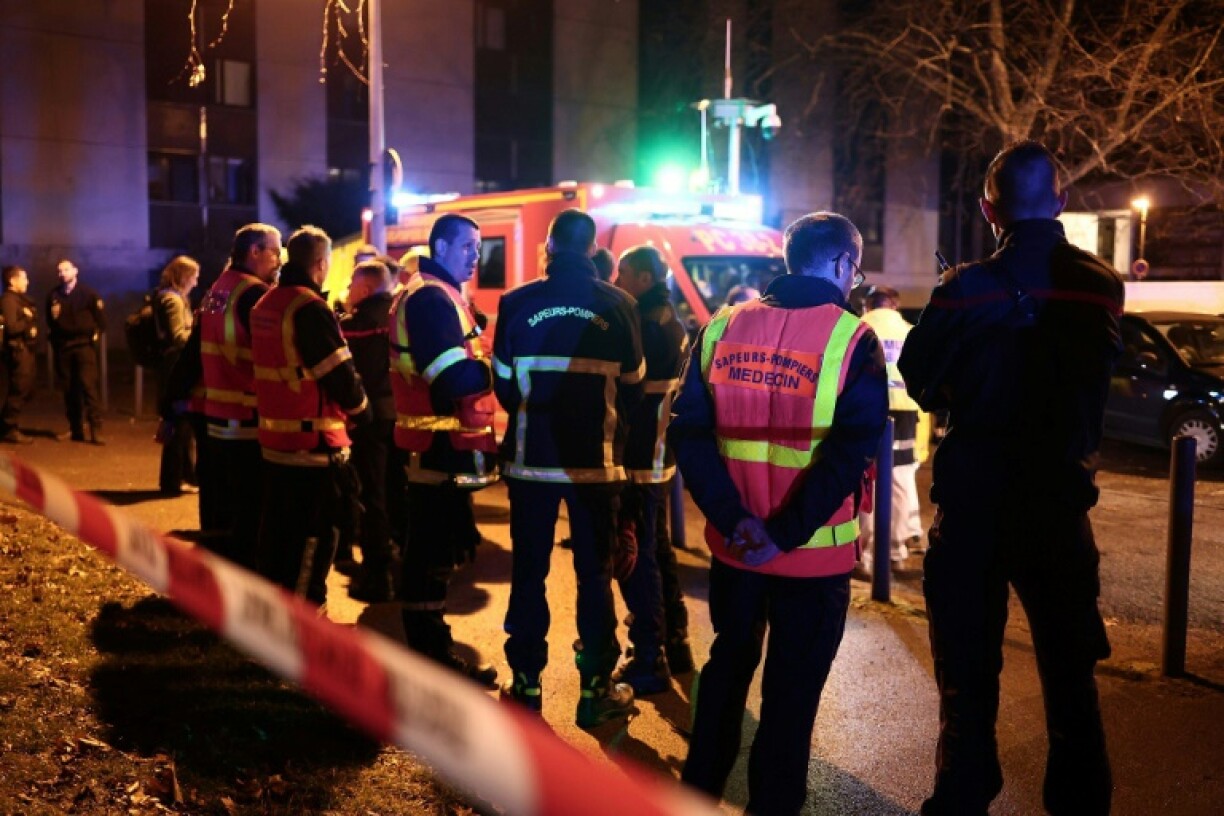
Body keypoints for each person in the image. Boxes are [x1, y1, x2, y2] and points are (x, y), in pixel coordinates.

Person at [898, 140, 1120, 816]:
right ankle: (1079, 802)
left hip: (975, 508)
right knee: (1071, 680)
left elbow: (919, 379)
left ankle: (965, 792)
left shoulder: (964, 288)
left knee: (966, 679)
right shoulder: (1101, 284)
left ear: (988, 209)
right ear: (1061, 202)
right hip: (1059, 506)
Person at [670, 211, 887, 815]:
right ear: (843, 263)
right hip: (812, 562)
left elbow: (688, 433)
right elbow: (851, 453)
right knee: (790, 704)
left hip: (736, 552)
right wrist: (785, 534)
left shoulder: (720, 327)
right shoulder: (853, 339)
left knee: (725, 673)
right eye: (855, 269)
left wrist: (734, 520)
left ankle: (695, 797)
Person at [494, 208, 645, 728]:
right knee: (594, 576)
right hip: (595, 468)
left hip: (530, 464)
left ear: (550, 247)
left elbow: (503, 385)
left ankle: (525, 686)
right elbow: (633, 384)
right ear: (593, 248)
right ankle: (596, 690)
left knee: (528, 573)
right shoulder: (621, 305)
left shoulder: (516, 303)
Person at [390, 213, 499, 685]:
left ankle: (431, 652)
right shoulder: (432, 299)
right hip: (435, 449)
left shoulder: (440, 294)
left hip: (438, 448)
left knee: (435, 553)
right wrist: (498, 368)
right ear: (440, 247)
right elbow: (451, 378)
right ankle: (430, 659)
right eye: (467, 246)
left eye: (479, 247)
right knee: (429, 557)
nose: (476, 256)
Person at [251, 226, 369, 607]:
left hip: (275, 444)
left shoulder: (266, 303)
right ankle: (302, 625)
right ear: (320, 264)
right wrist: (363, 411)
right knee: (313, 543)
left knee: (278, 542)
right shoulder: (310, 309)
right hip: (314, 447)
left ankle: (273, 619)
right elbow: (340, 376)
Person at [609, 244, 692, 692]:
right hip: (660, 456)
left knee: (637, 559)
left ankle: (647, 656)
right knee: (658, 550)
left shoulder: (642, 323)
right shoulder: (671, 320)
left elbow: (627, 391)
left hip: (639, 457)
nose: (617, 281)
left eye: (623, 274)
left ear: (643, 278)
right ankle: (676, 642)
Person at [188, 223, 282, 565]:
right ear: (255, 251)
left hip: (216, 414)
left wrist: (172, 404)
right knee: (249, 507)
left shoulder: (219, 289)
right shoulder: (254, 294)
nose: (279, 260)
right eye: (275, 252)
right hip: (247, 414)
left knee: (218, 501)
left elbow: (193, 350)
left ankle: (215, 567)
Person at [339, 259, 398, 602]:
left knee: (371, 495)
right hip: (403, 417)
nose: (348, 291)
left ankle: (378, 576)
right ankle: (404, 564)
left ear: (364, 288)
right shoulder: (402, 316)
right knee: (399, 491)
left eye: (351, 285)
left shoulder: (355, 325)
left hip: (369, 419)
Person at [857, 283, 925, 572]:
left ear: (867, 304)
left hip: (866, 409)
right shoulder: (910, 331)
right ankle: (895, 551)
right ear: (895, 305)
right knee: (899, 480)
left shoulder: (858, 327)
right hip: (906, 412)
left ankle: (866, 556)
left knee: (866, 480)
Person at [153, 256, 201, 495]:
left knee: (182, 423)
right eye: (194, 277)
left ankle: (184, 476)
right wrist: (198, 334)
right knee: (179, 422)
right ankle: (172, 481)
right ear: (184, 276)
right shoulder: (172, 300)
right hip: (176, 367)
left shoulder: (171, 297)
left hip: (173, 366)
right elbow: (177, 336)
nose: (196, 282)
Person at [46, 259, 106, 444]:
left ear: (75, 271)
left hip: (83, 346)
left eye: (66, 269)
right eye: (59, 271)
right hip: (64, 347)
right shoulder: (54, 295)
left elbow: (101, 320)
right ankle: (76, 429)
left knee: (88, 386)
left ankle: (96, 428)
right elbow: (50, 321)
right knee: (69, 389)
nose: (62, 273)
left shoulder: (88, 293)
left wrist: (94, 337)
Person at [0, 265, 39, 444]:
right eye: (23, 278)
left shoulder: (21, 300)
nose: (27, 282)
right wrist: (27, 319)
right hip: (18, 351)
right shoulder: (8, 301)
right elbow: (12, 328)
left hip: (26, 349)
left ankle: (6, 425)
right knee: (18, 390)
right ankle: (8, 428)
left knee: (26, 389)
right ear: (12, 280)